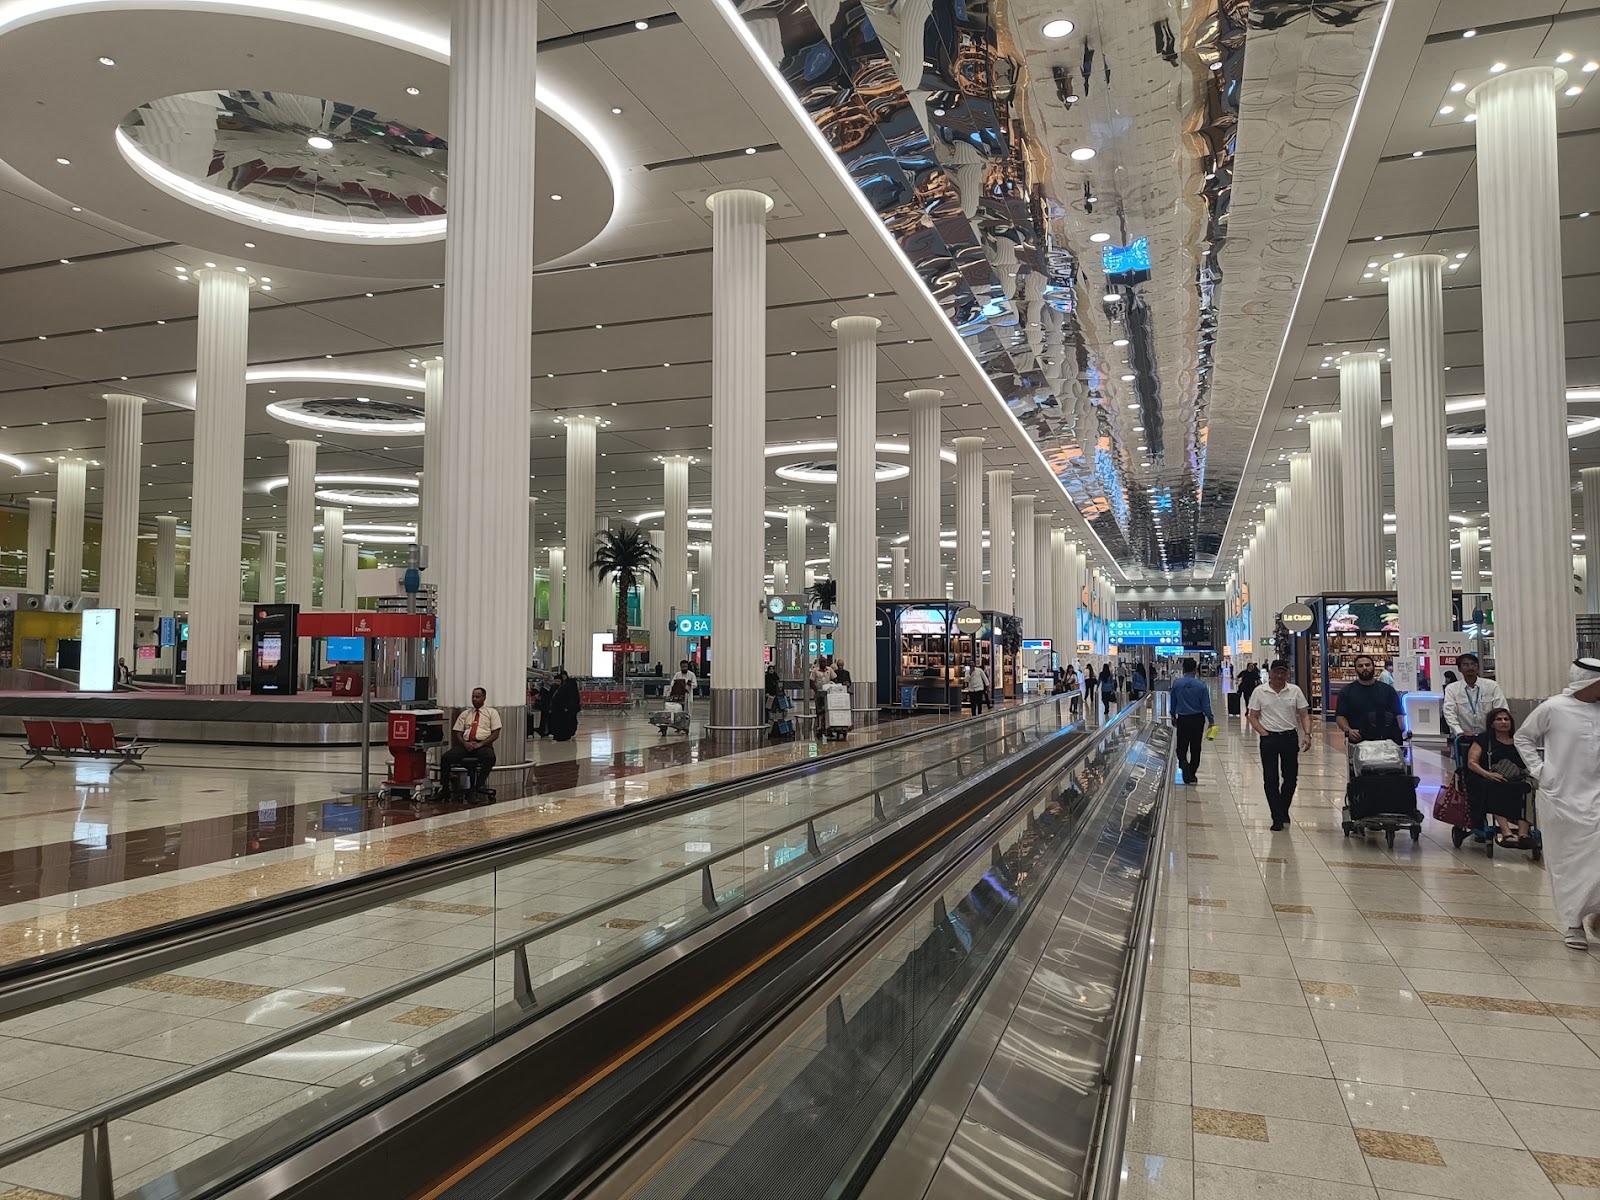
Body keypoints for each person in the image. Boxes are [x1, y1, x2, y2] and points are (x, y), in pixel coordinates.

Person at [1514, 658, 1600, 950]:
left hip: (1596, 797)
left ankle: (1597, 914)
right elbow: (1523, 738)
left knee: (1596, 861)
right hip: (1561, 798)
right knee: (1568, 864)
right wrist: (1541, 771)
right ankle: (1573, 923)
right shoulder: (1553, 707)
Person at [1246, 660, 1312, 830]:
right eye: (1276, 672)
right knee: (1270, 778)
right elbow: (1252, 716)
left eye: (1283, 672)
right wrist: (1263, 732)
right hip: (1269, 739)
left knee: (1290, 778)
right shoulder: (1260, 692)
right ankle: (1276, 816)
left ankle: (1283, 808)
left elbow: (1304, 714)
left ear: (1287, 674)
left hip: (1289, 738)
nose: (1280, 675)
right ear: (1270, 673)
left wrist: (1307, 734)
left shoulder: (1294, 690)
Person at [1465, 707, 1532, 848]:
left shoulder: (1518, 741)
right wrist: (1488, 774)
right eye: (1499, 719)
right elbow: (1472, 763)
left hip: (1514, 777)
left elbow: (1527, 762)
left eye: (1506, 719)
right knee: (1494, 786)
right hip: (1487, 776)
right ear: (1492, 723)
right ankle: (1506, 832)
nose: (1503, 722)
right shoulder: (1484, 740)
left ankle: (1523, 834)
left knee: (1527, 788)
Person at [442, 687, 502, 798]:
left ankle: (476, 788)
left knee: (490, 758)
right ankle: (444, 789)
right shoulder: (466, 714)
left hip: (483, 745)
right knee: (445, 758)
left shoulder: (492, 713)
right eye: (473, 697)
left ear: (484, 698)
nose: (474, 699)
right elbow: (458, 732)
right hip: (466, 745)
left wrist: (481, 744)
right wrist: (465, 743)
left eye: (477, 697)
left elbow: (495, 734)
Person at [1335, 654, 1404, 744]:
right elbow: (1340, 716)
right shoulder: (1346, 692)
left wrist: (1400, 733)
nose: (1364, 668)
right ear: (1355, 669)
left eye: (1367, 665)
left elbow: (1399, 715)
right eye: (1360, 666)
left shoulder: (1388, 690)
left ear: (1373, 667)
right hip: (1359, 740)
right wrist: (1348, 731)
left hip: (1387, 741)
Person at [1168, 656, 1216, 785]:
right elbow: (1206, 705)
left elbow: (1173, 702)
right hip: (1197, 719)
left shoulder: (1177, 684)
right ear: (1195, 669)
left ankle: (1183, 762)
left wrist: (1173, 716)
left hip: (1182, 719)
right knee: (1196, 747)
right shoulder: (1201, 686)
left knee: (1181, 746)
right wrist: (1211, 720)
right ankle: (1192, 773)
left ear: (1183, 669)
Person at [1441, 653, 1505, 740]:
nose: (1470, 668)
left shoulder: (1492, 686)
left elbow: (1501, 709)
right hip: (1465, 736)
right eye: (1465, 665)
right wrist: (1459, 732)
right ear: (1459, 669)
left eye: (1473, 665)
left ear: (1478, 667)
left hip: (1489, 736)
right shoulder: (1452, 689)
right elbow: (1449, 712)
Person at [546, 670, 582, 742]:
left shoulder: (568, 686)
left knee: (570, 721)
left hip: (568, 708)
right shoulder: (555, 687)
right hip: (558, 709)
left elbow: (571, 698)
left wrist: (568, 707)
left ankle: (568, 733)